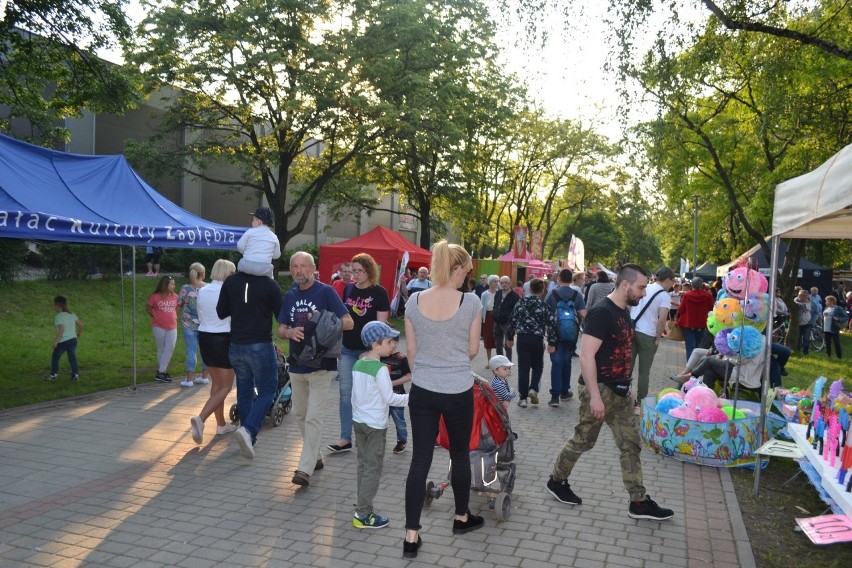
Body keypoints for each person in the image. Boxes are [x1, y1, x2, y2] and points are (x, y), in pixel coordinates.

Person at [545, 263, 674, 521]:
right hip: (600, 390)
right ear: (625, 285)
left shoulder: (625, 310)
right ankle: (557, 481)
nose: (643, 293)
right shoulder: (602, 312)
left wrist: (627, 387)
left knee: (631, 444)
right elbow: (586, 356)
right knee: (584, 439)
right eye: (640, 287)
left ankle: (638, 501)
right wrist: (594, 395)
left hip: (621, 392)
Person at [402, 240, 483, 559]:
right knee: (460, 454)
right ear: (459, 268)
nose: (468, 276)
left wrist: (422, 372)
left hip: (422, 389)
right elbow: (474, 350)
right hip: (457, 389)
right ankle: (461, 518)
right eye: (467, 270)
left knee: (419, 459)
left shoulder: (414, 300)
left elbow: (410, 350)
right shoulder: (472, 302)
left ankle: (411, 536)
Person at [278, 252, 353, 486]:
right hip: (297, 364)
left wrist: (324, 324)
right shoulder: (289, 296)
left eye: (303, 266)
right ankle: (316, 456)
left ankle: (304, 469)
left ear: (313, 268)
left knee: (313, 417)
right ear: (291, 270)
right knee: (300, 415)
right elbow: (280, 329)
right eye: (295, 267)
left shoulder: (326, 292)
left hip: (323, 365)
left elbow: (348, 322)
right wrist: (289, 332)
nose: (299, 270)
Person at [216, 259, 283, 460]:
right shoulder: (270, 284)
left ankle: (248, 436)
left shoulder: (231, 281)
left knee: (244, 389)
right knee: (268, 390)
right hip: (260, 344)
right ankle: (249, 430)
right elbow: (281, 316)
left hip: (236, 344)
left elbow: (221, 312)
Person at [350, 321, 409, 529]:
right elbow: (390, 398)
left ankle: (362, 502)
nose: (394, 345)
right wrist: (412, 398)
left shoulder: (358, 364)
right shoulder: (380, 369)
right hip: (375, 426)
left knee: (363, 465)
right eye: (390, 341)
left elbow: (356, 396)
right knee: (373, 469)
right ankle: (363, 514)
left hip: (359, 422)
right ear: (376, 345)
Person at [329, 253, 390, 454]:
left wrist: (371, 352)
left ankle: (375, 434)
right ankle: (345, 438)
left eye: (360, 271)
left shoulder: (379, 293)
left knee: (372, 395)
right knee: (346, 394)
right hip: (347, 349)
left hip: (369, 352)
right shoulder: (348, 289)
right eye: (353, 271)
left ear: (369, 270)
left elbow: (380, 327)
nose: (355, 275)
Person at [190, 259, 239, 444]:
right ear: (228, 273)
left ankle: (221, 424)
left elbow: (201, 314)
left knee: (217, 384)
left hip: (204, 336)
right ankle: (200, 419)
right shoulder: (228, 290)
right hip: (223, 338)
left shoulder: (203, 290)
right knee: (226, 386)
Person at [505, 278, 558, 408]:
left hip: (522, 339)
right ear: (542, 290)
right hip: (537, 340)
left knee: (523, 368)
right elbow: (551, 324)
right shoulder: (544, 305)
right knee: (537, 366)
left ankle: (523, 398)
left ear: (529, 289)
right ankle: (533, 388)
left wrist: (510, 337)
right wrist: (552, 342)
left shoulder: (520, 303)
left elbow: (512, 321)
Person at [629, 266, 675, 408]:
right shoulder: (664, 296)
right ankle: (639, 401)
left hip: (632, 330)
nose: (673, 284)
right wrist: (658, 338)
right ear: (667, 280)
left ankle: (622, 396)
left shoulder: (644, 287)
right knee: (644, 371)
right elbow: (662, 320)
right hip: (648, 334)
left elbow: (630, 307)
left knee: (627, 367)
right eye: (672, 281)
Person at [545, 269, 587, 406]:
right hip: (572, 334)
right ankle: (565, 391)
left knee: (556, 363)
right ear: (570, 280)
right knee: (567, 361)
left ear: (559, 279)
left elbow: (546, 313)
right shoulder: (577, 294)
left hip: (555, 334)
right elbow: (583, 313)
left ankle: (555, 397)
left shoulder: (552, 294)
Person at [177, 262, 209, 388]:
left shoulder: (185, 288)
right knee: (204, 350)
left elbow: (179, 304)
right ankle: (204, 376)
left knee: (191, 350)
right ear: (202, 273)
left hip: (188, 323)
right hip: (205, 323)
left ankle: (189, 379)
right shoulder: (208, 287)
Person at [381, 338, 412, 454]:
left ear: (397, 343)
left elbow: (409, 376)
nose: (389, 344)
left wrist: (391, 384)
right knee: (382, 419)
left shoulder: (402, 359)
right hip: (382, 397)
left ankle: (402, 440)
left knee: (399, 420)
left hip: (397, 395)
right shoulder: (380, 357)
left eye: (391, 341)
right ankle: (380, 440)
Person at [146, 275, 178, 383]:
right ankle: (162, 372)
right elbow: (148, 308)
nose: (174, 286)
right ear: (165, 285)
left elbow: (176, 308)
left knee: (170, 347)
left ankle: (161, 371)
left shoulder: (175, 296)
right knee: (161, 348)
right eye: (172, 284)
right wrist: (155, 316)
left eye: (174, 284)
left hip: (172, 326)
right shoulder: (155, 297)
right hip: (158, 326)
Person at [676, 277, 715, 361]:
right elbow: (712, 308)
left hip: (688, 324)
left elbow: (681, 309)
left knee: (690, 346)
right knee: (698, 346)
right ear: (702, 285)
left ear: (692, 285)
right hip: (702, 324)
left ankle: (689, 367)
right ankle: (695, 366)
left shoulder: (687, 295)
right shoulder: (708, 295)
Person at [236, 206, 281, 279]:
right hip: (264, 268)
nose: (252, 222)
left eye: (253, 220)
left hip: (247, 265)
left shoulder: (250, 232)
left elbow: (239, 246)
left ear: (259, 221)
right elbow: (276, 255)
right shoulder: (274, 237)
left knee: (241, 266)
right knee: (270, 277)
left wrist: (246, 252)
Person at [47, 295, 83, 381]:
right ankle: (75, 375)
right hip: (73, 340)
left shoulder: (59, 316)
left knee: (55, 356)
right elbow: (81, 324)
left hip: (63, 341)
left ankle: (53, 375)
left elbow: (61, 329)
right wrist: (79, 333)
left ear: (57, 305)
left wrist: (56, 341)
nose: (53, 306)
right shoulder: (72, 314)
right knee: (72, 357)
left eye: (54, 305)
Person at [492, 276, 520, 362]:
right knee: (498, 344)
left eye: (506, 283)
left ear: (510, 284)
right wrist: (494, 312)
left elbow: (517, 311)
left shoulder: (515, 296)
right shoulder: (498, 293)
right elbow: (495, 305)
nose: (504, 284)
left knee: (508, 344)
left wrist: (513, 323)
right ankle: (500, 363)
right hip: (497, 322)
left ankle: (508, 364)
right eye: (502, 283)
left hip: (508, 324)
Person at [480, 275, 500, 363]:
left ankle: (498, 361)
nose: (496, 283)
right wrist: (481, 320)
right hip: (488, 318)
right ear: (490, 282)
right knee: (488, 340)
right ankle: (489, 362)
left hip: (497, 318)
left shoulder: (499, 293)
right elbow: (481, 307)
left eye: (497, 281)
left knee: (498, 340)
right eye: (494, 281)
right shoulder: (484, 294)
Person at [793, 289, 812, 354]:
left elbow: (815, 312)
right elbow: (794, 300)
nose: (799, 297)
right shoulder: (797, 301)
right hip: (799, 323)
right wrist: (801, 305)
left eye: (800, 295)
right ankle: (797, 352)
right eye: (798, 295)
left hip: (808, 323)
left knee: (806, 338)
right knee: (798, 338)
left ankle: (805, 352)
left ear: (805, 296)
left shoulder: (811, 303)